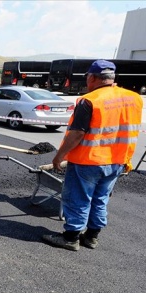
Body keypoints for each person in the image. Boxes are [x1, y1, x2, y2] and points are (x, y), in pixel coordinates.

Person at [42, 60, 143, 251]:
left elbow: (77, 133)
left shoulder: (90, 100)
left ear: (93, 77)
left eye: (88, 77)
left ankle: (71, 237)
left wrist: (59, 156)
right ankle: (92, 236)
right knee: (101, 198)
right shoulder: (134, 98)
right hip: (118, 161)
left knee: (79, 198)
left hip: (89, 161)